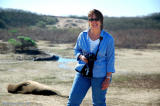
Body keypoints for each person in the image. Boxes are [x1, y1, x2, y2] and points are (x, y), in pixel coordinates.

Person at [67, 9, 115, 106]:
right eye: (91, 19)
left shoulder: (108, 38)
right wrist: (81, 56)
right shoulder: (82, 35)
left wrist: (108, 78)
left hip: (100, 76)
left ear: (101, 21)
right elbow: (76, 50)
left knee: (98, 103)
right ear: (88, 22)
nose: (94, 22)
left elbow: (110, 59)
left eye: (96, 19)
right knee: (73, 101)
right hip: (83, 72)